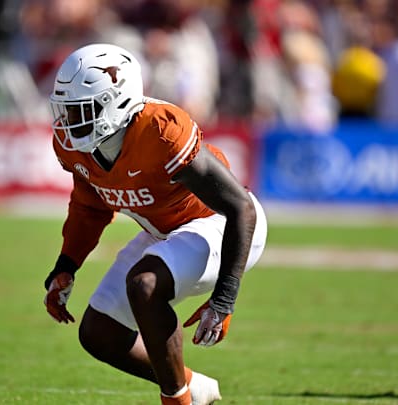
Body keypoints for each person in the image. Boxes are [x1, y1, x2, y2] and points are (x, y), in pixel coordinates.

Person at [42, 43, 268, 405]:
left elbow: (241, 208)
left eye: (82, 110)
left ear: (116, 101)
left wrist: (224, 299)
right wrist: (66, 265)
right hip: (166, 231)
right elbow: (90, 206)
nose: (69, 122)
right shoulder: (76, 146)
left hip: (220, 224)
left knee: (145, 285)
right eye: (66, 110)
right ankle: (193, 388)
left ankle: (177, 401)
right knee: (100, 332)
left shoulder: (161, 131)